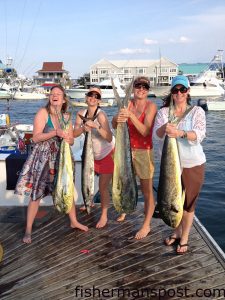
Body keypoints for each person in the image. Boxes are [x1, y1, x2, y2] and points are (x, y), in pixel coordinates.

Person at [15, 85, 88, 244]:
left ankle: (73, 221)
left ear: (63, 99)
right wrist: (55, 132)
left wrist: (69, 139)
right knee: (36, 193)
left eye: (58, 94)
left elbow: (71, 139)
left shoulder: (67, 116)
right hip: (43, 157)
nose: (54, 96)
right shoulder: (43, 113)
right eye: (52, 94)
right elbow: (35, 138)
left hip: (62, 158)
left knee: (66, 188)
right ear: (50, 98)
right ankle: (28, 229)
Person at [153, 75, 206, 254]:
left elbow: (199, 135)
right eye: (175, 90)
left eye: (182, 89)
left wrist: (180, 132)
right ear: (172, 93)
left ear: (188, 91)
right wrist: (166, 128)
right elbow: (156, 136)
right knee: (171, 202)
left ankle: (184, 238)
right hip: (170, 166)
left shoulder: (197, 111)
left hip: (193, 165)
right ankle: (176, 232)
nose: (179, 93)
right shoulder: (163, 112)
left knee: (188, 204)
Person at [112, 76, 157, 239]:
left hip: (143, 152)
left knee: (147, 191)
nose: (141, 89)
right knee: (124, 183)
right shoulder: (127, 104)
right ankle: (124, 210)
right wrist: (117, 118)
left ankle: (146, 225)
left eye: (145, 87)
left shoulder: (151, 106)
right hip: (125, 149)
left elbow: (145, 131)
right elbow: (114, 124)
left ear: (148, 90)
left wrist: (130, 116)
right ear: (133, 88)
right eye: (138, 86)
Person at [73, 87, 114, 229]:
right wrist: (83, 128)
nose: (93, 97)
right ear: (86, 97)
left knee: (102, 187)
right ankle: (88, 201)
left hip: (107, 154)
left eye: (96, 96)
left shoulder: (101, 115)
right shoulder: (80, 114)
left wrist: (96, 126)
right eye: (90, 94)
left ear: (99, 100)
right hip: (91, 155)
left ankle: (104, 215)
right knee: (87, 181)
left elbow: (109, 137)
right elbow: (74, 134)